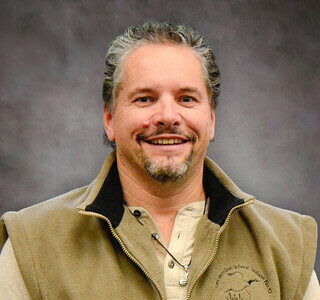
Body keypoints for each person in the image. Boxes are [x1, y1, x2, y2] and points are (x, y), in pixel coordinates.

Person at [0, 22, 318, 299]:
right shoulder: (33, 245)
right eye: (145, 99)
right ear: (109, 119)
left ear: (211, 118)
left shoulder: (285, 247)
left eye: (186, 99)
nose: (167, 116)